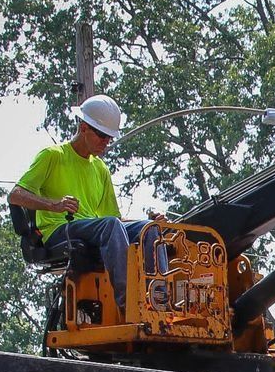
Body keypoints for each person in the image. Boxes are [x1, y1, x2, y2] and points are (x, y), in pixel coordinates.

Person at [9, 95, 164, 315]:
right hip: (58, 230)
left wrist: (146, 221)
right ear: (83, 128)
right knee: (108, 226)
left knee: (149, 229)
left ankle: (160, 300)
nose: (106, 142)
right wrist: (53, 205)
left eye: (109, 137)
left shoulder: (100, 168)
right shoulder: (53, 156)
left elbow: (115, 219)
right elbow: (15, 195)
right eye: (101, 135)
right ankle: (129, 304)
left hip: (94, 228)